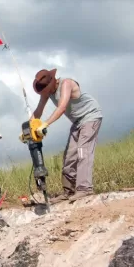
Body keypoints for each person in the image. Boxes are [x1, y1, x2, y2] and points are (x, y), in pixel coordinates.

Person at [29, 69, 103, 203]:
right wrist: (27, 128)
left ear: (52, 82)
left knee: (82, 152)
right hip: (77, 121)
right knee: (69, 156)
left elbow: (62, 107)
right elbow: (38, 111)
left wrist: (45, 124)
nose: (44, 94)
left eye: (44, 90)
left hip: (90, 116)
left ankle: (85, 188)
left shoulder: (66, 84)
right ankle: (68, 191)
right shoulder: (46, 92)